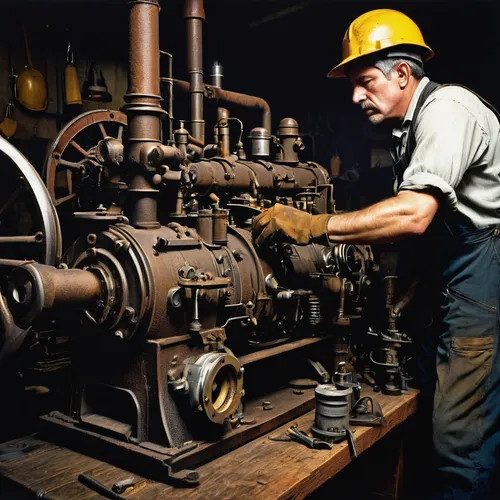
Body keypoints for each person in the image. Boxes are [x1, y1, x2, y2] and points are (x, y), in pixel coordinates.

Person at [252, 9, 500, 500]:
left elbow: (413, 215)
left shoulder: (448, 111)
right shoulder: (412, 125)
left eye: (365, 81)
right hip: (452, 280)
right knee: (432, 416)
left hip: (480, 282)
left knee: (459, 439)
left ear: (403, 74)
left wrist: (316, 226)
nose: (355, 95)